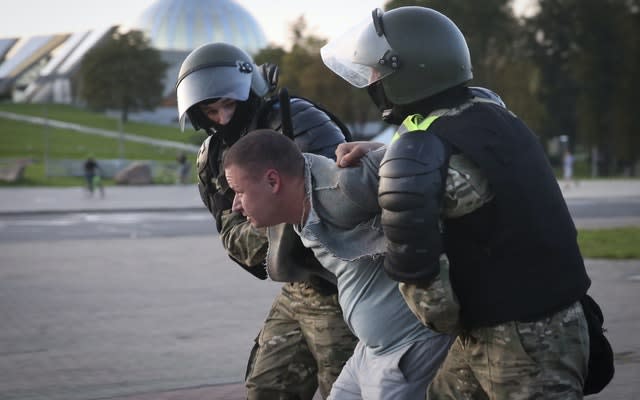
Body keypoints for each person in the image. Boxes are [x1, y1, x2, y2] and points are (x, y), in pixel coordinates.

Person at [321, 6, 592, 399]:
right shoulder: (488, 113)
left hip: (524, 340)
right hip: (537, 315)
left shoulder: (431, 150)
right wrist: (388, 154)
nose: (372, 82)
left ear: (410, 70)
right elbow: (450, 163)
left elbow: (428, 293)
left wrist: (443, 320)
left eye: (378, 72)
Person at [176, 42, 357, 399]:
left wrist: (271, 220)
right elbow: (236, 241)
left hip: (343, 287)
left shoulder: (298, 122)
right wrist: (281, 216)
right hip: (297, 287)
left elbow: (339, 203)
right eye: (212, 111)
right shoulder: (213, 155)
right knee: (267, 388)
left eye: (228, 104)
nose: (224, 119)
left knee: (349, 391)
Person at [223, 129, 454, 399]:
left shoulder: (342, 187)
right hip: (369, 353)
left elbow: (425, 168)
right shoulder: (300, 200)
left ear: (273, 181)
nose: (236, 205)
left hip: (406, 352)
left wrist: (382, 151)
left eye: (239, 191)